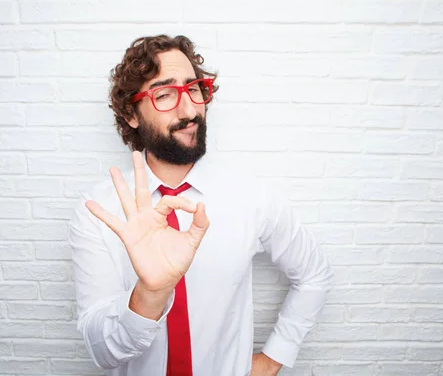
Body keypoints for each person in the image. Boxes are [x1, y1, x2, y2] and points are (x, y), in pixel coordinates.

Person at [68, 34, 334, 376]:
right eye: (164, 94)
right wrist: (151, 292)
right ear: (131, 114)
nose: (189, 109)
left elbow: (314, 274)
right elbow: (104, 354)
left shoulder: (251, 196)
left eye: (194, 89)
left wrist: (272, 360)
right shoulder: (98, 212)